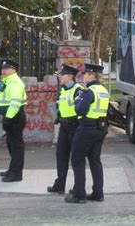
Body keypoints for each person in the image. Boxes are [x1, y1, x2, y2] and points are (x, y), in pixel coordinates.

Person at [65, 63, 109, 204]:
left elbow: (79, 110)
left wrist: (78, 100)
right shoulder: (103, 90)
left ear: (91, 75)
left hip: (86, 129)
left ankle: (79, 195)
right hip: (100, 129)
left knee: (77, 160)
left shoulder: (89, 91)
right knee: (95, 161)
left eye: (85, 74)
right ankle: (98, 193)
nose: (83, 76)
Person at [47, 64, 84, 194]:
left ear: (70, 76)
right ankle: (60, 184)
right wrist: (59, 116)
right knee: (61, 155)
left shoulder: (78, 90)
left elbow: (81, 109)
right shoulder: (63, 90)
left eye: (62, 75)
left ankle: (77, 186)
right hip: (64, 126)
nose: (60, 76)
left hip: (74, 126)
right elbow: (62, 106)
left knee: (76, 158)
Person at [0, 59, 27, 182]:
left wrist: (8, 118)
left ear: (13, 69)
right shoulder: (8, 81)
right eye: (3, 68)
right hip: (11, 116)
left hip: (14, 117)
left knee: (16, 147)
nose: (3, 70)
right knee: (11, 145)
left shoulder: (15, 83)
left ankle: (16, 174)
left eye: (6, 68)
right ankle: (12, 169)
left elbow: (15, 103)